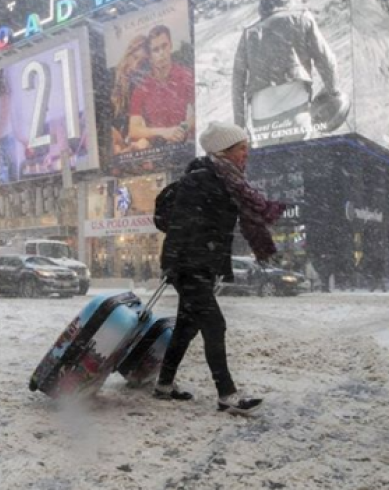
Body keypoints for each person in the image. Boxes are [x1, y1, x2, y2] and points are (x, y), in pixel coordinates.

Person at [155, 121, 285, 415]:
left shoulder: (226, 180)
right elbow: (179, 224)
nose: (246, 154)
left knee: (187, 326)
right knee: (215, 324)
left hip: (202, 263)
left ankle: (164, 385)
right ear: (224, 151)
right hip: (189, 265)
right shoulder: (200, 179)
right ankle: (227, 394)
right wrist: (173, 265)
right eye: (242, 148)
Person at [232, 0, 340, 145]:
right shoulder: (302, 19)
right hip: (296, 109)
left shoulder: (249, 34)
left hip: (262, 118)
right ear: (287, 1)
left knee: (273, 164)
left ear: (263, 8)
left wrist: (240, 127)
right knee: (301, 161)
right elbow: (326, 60)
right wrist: (333, 91)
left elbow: (238, 83)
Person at [128, 25, 195, 148]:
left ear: (171, 45)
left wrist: (183, 128)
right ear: (150, 55)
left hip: (182, 144)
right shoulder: (142, 87)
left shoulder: (185, 76)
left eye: (164, 46)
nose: (161, 53)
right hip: (155, 149)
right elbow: (133, 129)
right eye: (156, 49)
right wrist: (164, 132)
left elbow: (199, 111)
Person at [110, 35, 150, 155]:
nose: (135, 65)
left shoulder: (144, 85)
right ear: (128, 54)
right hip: (118, 147)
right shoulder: (112, 79)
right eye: (135, 57)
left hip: (134, 146)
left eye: (142, 62)